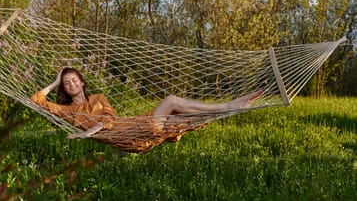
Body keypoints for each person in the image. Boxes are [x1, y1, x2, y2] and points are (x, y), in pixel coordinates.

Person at [31, 67, 262, 140]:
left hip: (130, 126)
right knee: (171, 101)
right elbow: (38, 100)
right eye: (66, 83)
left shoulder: (98, 98)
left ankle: (230, 107)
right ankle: (228, 106)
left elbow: (109, 117)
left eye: (74, 80)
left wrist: (92, 130)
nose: (70, 84)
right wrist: (54, 81)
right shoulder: (67, 111)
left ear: (82, 83)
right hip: (130, 136)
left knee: (183, 117)